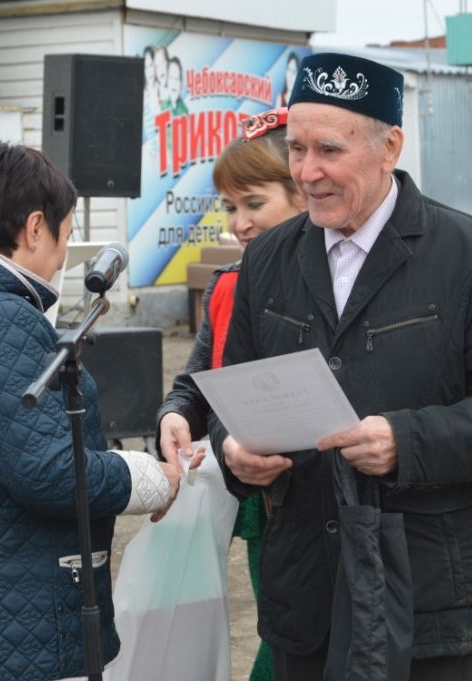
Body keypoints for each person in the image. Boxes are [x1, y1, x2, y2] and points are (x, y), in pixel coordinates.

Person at [209, 53, 472, 681]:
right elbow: (228, 397)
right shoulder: (267, 262)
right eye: (296, 150)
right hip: (305, 583)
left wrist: (407, 440)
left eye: (329, 151)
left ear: (389, 146)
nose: (307, 172)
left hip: (426, 582)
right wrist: (234, 450)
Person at [0, 141, 181, 681]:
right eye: (66, 235)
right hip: (13, 631)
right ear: (33, 229)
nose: (64, 255)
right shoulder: (0, 319)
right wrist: (149, 478)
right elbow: (47, 471)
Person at [157, 106, 305, 681]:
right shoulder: (229, 282)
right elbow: (196, 381)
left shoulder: (339, 283)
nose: (240, 223)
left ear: (302, 193)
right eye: (231, 207)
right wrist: (177, 415)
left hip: (330, 487)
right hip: (256, 486)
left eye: (254, 203)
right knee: (281, 621)